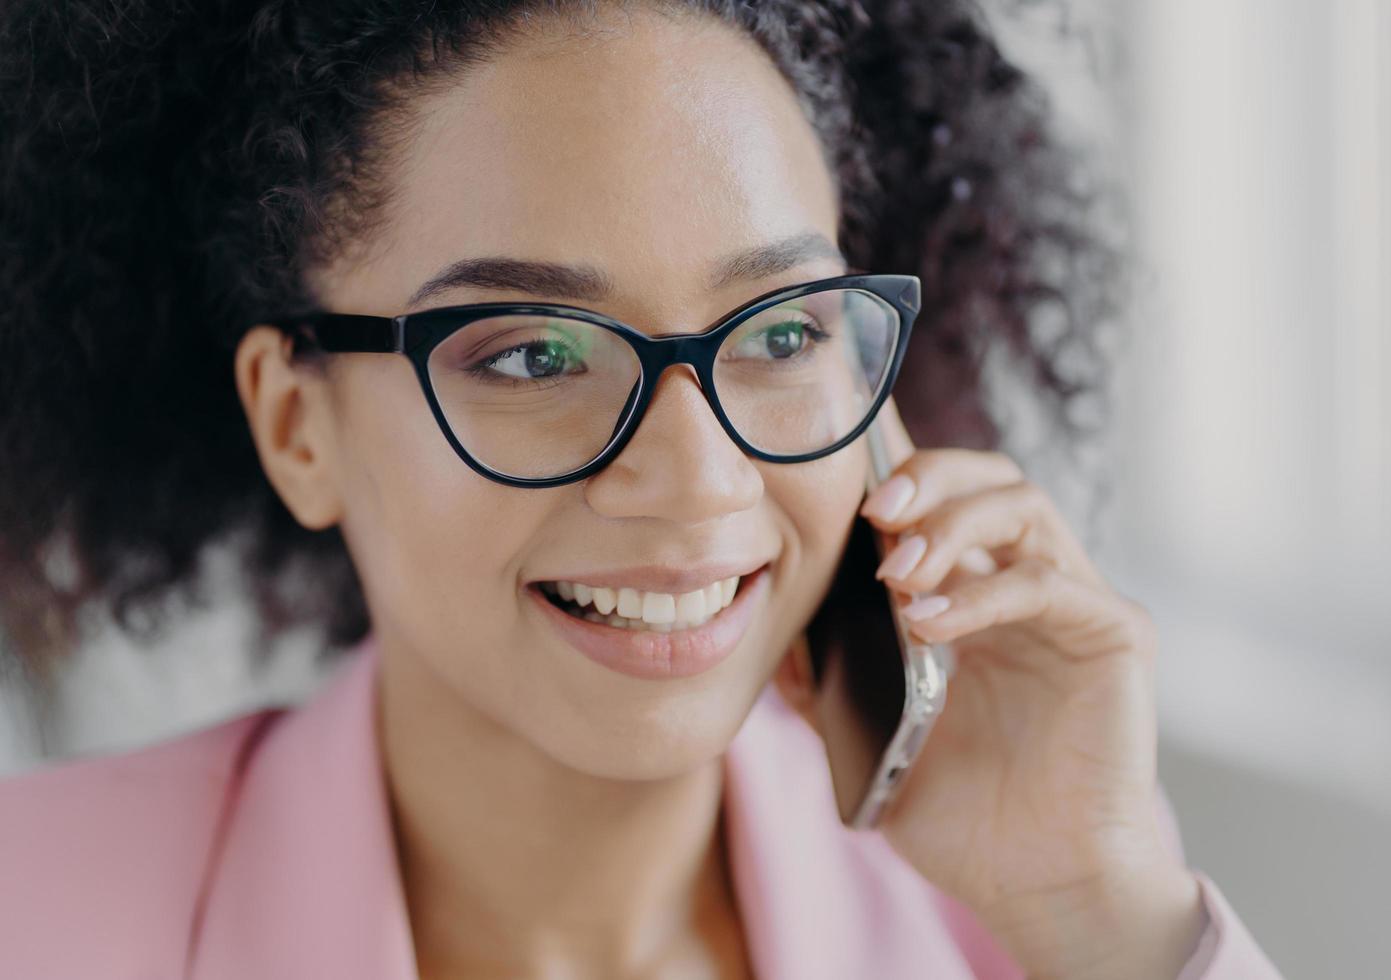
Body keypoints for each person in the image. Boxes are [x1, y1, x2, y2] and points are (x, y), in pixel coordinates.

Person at [0, 1, 1284, 977]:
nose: (696, 479)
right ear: (298, 426)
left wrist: (1101, 919)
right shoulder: (39, 911)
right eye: (532, 352)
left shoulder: (1030, 905)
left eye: (781, 332)